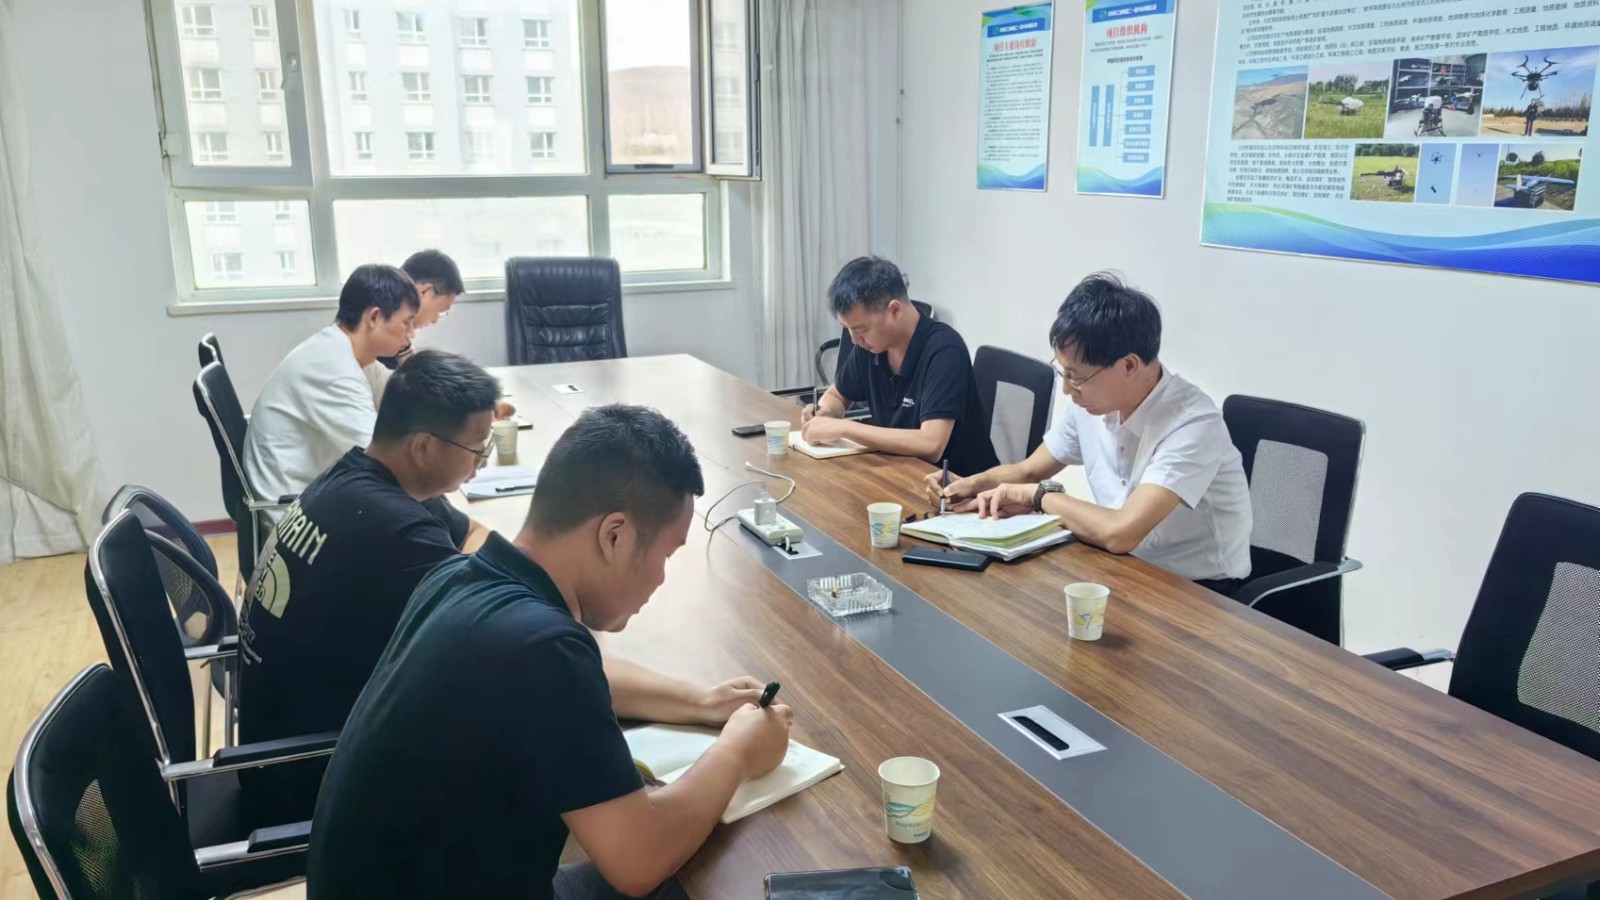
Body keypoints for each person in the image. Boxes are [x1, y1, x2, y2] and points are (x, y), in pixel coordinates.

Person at [309, 404, 795, 900]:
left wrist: (700, 701)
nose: (662, 578)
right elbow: (639, 859)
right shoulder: (543, 650)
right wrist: (737, 752)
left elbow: (583, 675)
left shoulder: (461, 578)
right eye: (666, 554)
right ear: (615, 535)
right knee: (700, 885)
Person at [237, 350, 496, 819]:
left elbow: (474, 536)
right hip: (311, 784)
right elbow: (503, 634)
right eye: (478, 449)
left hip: (281, 748)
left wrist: (464, 574)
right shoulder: (396, 530)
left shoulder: (360, 477)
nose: (480, 464)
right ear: (423, 448)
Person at [926, 273, 1252, 594]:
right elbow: (1028, 471)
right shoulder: (1091, 404)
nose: (1068, 390)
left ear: (1128, 365)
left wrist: (1039, 497)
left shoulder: (1192, 425)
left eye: (1076, 377)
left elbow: (1121, 532)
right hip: (1119, 568)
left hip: (1199, 592)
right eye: (1063, 373)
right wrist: (970, 485)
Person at [801, 256, 999, 476]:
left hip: (959, 487)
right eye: (847, 328)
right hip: (898, 473)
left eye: (861, 329)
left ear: (894, 310)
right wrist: (826, 412)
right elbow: (838, 394)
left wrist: (843, 428)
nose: (854, 340)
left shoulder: (945, 350)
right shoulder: (870, 346)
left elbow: (931, 444)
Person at [243, 264, 418, 507]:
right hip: (296, 513)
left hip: (321, 493)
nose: (412, 333)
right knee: (424, 506)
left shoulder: (348, 354)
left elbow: (405, 401)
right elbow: (383, 460)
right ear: (375, 317)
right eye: (407, 322)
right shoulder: (333, 368)